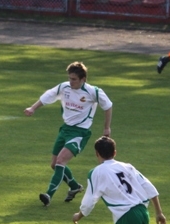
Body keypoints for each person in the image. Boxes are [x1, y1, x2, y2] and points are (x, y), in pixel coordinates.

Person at [24, 61, 113, 207]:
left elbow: (108, 106)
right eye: (69, 78)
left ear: (83, 79)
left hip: (80, 132)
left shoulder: (93, 92)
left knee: (60, 161)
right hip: (65, 130)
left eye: (74, 79)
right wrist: (33, 108)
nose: (71, 82)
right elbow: (48, 95)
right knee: (54, 164)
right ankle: (74, 186)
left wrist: (106, 128)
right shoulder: (64, 87)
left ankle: (49, 195)